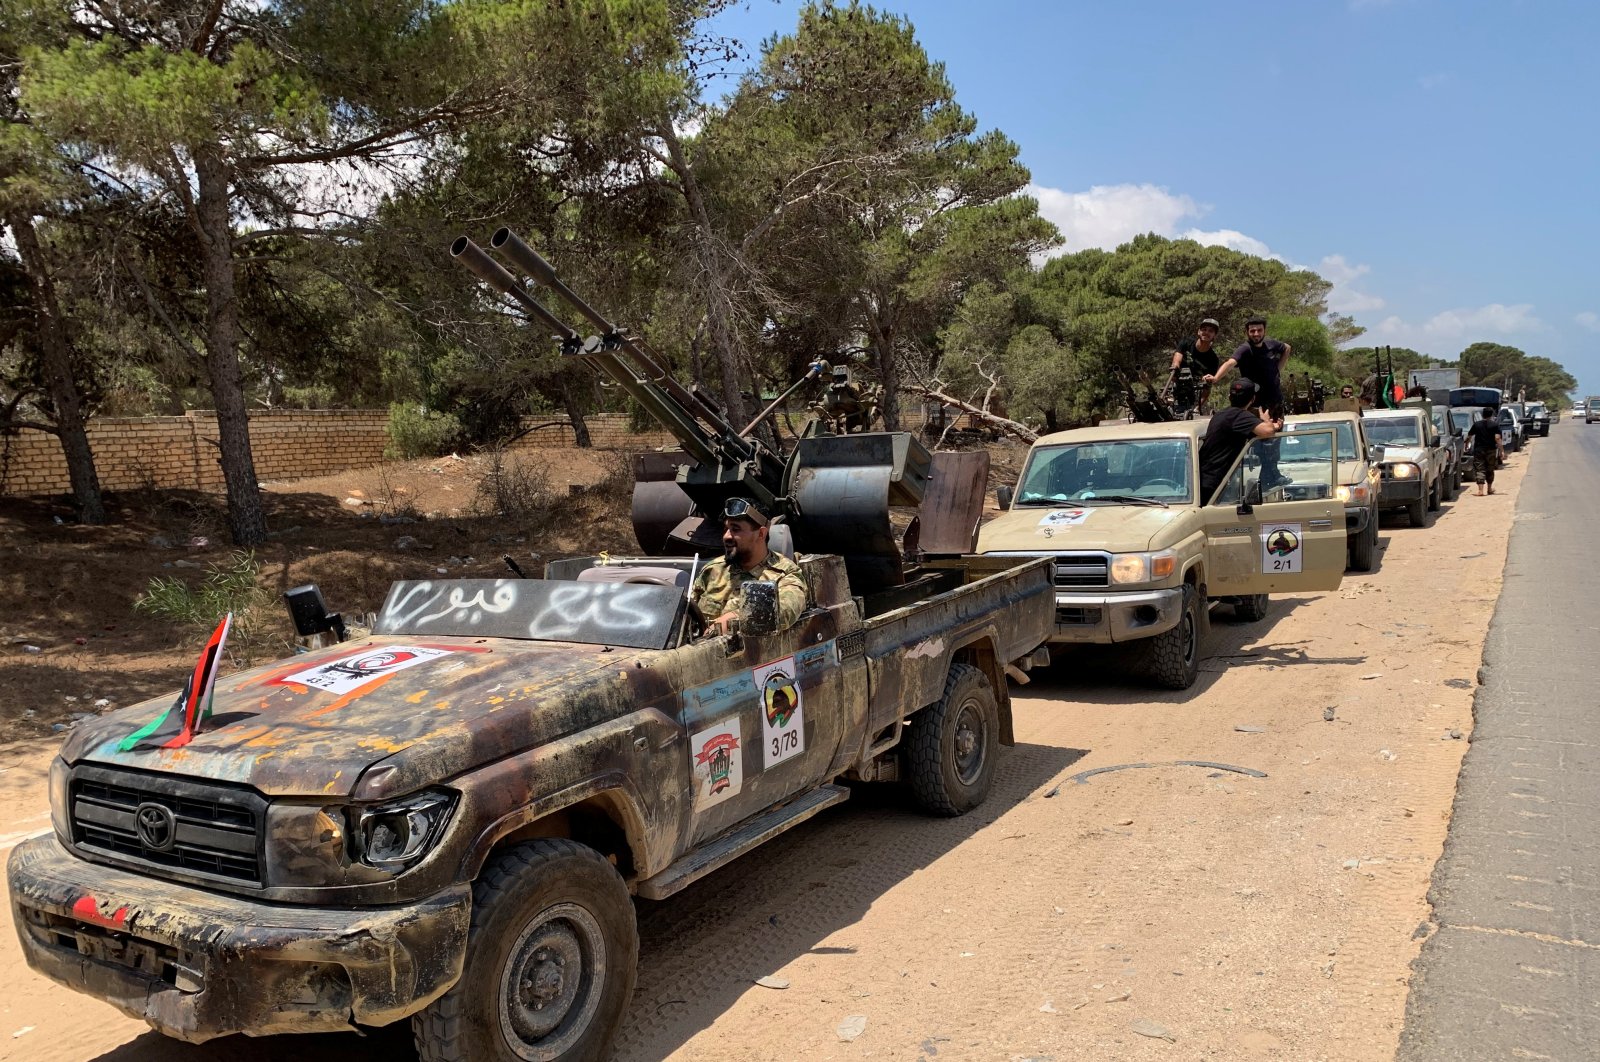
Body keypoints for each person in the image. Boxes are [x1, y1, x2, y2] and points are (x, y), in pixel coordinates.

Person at [690, 498, 808, 636]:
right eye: (725, 529)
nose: (726, 536)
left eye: (735, 529)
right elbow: (689, 613)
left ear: (761, 534)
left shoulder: (785, 574)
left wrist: (735, 619)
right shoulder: (713, 570)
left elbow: (786, 611)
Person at [1212, 318, 1292, 486]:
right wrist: (1216, 378)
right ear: (1247, 332)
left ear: (1264, 331)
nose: (1256, 334)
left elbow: (1287, 348)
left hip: (1275, 400)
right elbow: (1230, 362)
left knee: (1275, 440)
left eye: (1259, 330)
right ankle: (1244, 477)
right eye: (1252, 331)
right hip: (1255, 403)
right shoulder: (1245, 349)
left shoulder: (1271, 344)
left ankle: (1271, 475)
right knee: (1259, 441)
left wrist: (1278, 369)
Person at [1198, 379, 1282, 503]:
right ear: (1252, 399)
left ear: (1229, 397)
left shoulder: (1222, 415)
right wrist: (1267, 420)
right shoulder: (1239, 416)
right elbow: (1268, 431)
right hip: (1215, 484)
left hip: (1207, 480)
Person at [1164, 318, 1224, 414]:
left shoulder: (1213, 359)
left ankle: (1196, 408)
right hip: (1177, 382)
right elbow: (1177, 358)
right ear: (1199, 332)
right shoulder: (1186, 343)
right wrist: (1175, 367)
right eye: (1204, 329)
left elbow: (1207, 387)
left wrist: (1197, 407)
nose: (1206, 332)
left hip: (1195, 389)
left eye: (1210, 331)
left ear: (1214, 335)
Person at [1466, 405, 1505, 496]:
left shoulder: (1477, 424)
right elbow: (1497, 438)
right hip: (1491, 450)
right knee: (1490, 469)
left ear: (1483, 415)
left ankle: (1480, 490)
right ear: (1491, 415)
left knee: (1480, 469)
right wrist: (1501, 451)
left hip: (1479, 450)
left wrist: (1466, 444)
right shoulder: (1495, 425)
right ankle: (1489, 489)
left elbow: (1469, 435)